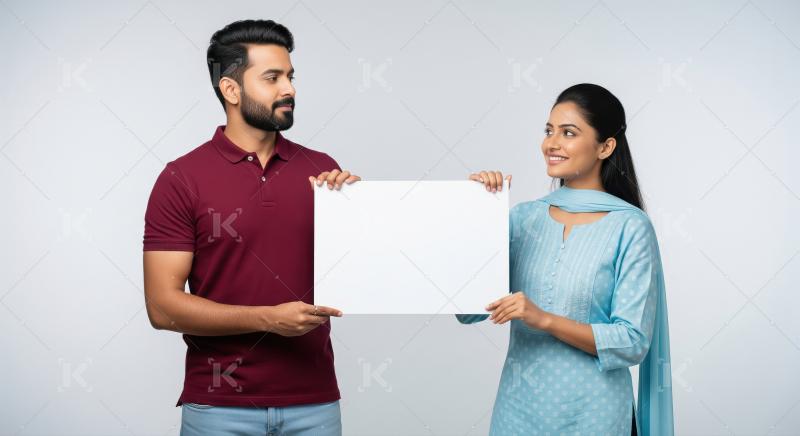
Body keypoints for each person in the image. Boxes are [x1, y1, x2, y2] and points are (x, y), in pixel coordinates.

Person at [142, 19, 359, 435]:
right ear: (231, 89)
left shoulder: (322, 170)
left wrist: (358, 209)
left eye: (291, 76)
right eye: (272, 78)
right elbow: (162, 307)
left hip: (314, 403)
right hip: (219, 408)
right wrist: (267, 319)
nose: (289, 89)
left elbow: (362, 274)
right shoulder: (181, 179)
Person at [460, 83, 674, 435]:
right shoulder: (523, 219)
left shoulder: (630, 227)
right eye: (549, 131)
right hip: (517, 415)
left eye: (568, 133)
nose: (551, 143)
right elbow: (467, 312)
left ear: (605, 146)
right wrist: (478, 215)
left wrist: (544, 319)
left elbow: (633, 341)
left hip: (594, 417)